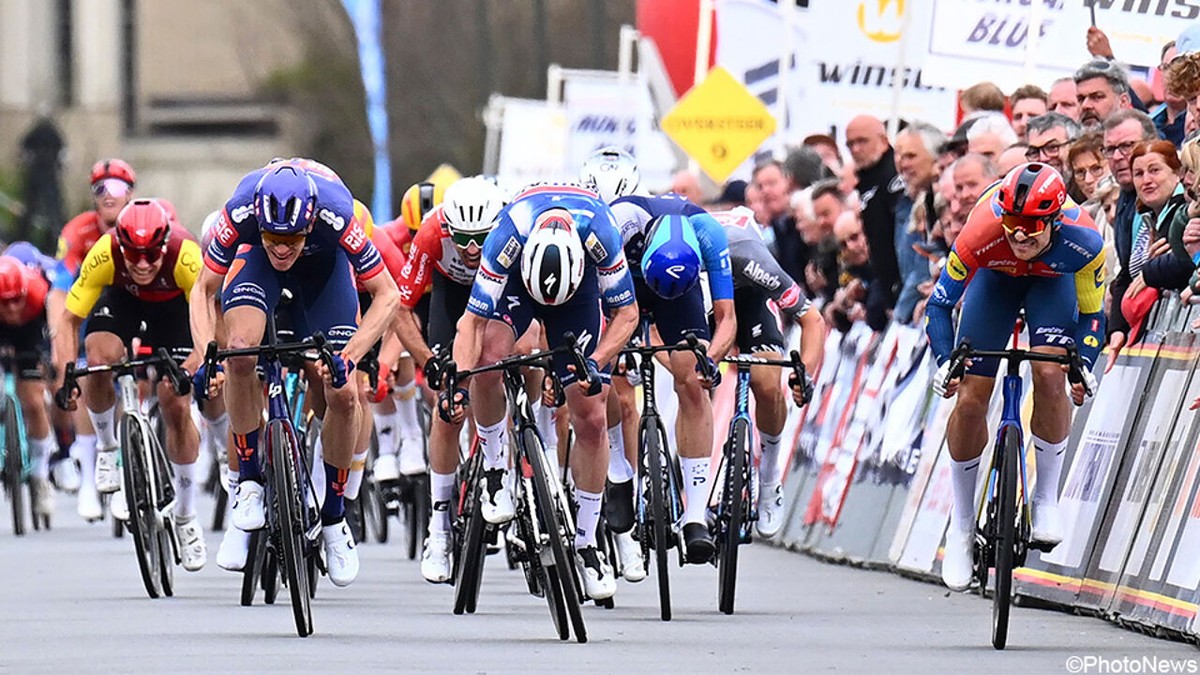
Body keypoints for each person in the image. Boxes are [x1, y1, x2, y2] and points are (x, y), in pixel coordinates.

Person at [190, 158, 401, 587]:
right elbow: (203, 288)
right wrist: (205, 354)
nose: (283, 247)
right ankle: (246, 484)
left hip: (325, 273)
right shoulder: (242, 209)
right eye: (273, 237)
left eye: (291, 239)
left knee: (344, 394)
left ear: (309, 223)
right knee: (242, 352)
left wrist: (351, 356)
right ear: (260, 222)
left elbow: (387, 295)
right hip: (255, 268)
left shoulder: (337, 212)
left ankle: (335, 517)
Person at [442, 182, 638, 601]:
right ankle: (496, 469)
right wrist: (458, 382)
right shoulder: (508, 234)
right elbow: (470, 325)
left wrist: (596, 362)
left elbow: (627, 315)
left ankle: (587, 544)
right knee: (489, 359)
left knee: (592, 417)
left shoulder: (601, 232)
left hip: (579, 295)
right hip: (517, 286)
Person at [927, 163, 1104, 591]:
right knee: (971, 396)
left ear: (1055, 220)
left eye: (1031, 226)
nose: (1020, 236)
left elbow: (1093, 316)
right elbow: (938, 306)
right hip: (994, 283)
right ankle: (963, 527)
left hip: (1052, 286)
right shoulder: (980, 232)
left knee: (1049, 372)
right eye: (1012, 224)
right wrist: (944, 360)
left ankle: (1046, 499)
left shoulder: (1085, 243)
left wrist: (1084, 366)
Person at [53, 198, 208, 571]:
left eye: (150, 255)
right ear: (120, 245)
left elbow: (208, 320)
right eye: (133, 255)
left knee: (174, 400)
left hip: (175, 310)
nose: (141, 264)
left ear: (165, 244)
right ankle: (107, 447)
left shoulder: (186, 256)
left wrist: (196, 366)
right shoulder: (105, 254)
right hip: (123, 303)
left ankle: (187, 517)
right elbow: (69, 320)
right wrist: (68, 372)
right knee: (100, 355)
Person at [391, 176, 507, 583]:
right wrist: (427, 359)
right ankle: (438, 527)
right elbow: (400, 309)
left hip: (503, 291)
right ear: (448, 229)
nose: (472, 249)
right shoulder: (431, 234)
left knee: (513, 362)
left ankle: (524, 463)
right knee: (449, 403)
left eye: (481, 239)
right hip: (452, 295)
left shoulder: (513, 232)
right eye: (463, 239)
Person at [710, 206, 824, 535]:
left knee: (767, 384)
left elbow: (812, 320)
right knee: (691, 379)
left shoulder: (751, 259)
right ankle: (696, 495)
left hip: (751, 296)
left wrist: (805, 374)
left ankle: (771, 477)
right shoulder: (682, 265)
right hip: (703, 304)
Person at [56, 158, 137, 521]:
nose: (108, 196)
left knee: (146, 377)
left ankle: (138, 460)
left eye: (117, 188)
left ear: (131, 194)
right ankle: (91, 476)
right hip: (90, 306)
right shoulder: (77, 232)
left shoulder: (144, 221)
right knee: (92, 375)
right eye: (100, 188)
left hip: (139, 302)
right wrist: (61, 341)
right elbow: (58, 292)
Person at [0, 254, 65, 523]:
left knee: (35, 402)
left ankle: (40, 473)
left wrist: (51, 360)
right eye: (6, 302)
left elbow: (54, 330)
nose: (13, 307)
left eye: (18, 299)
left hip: (30, 332)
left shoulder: (39, 293)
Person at [1101, 110, 1158, 356]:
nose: (1117, 156)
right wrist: (1117, 329)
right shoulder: (1124, 199)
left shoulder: (1164, 195)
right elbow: (1127, 269)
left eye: (1127, 146)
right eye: (1110, 149)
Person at [846, 114, 903, 331]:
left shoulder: (892, 176)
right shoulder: (866, 180)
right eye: (850, 144)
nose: (856, 149)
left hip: (899, 281)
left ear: (882, 139)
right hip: (884, 278)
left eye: (862, 141)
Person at [893, 121, 944, 324]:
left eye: (911, 156)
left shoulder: (943, 203)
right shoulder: (914, 202)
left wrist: (900, 314)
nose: (903, 164)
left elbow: (923, 269)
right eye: (899, 156)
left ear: (935, 158)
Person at [1129, 141, 1190, 295]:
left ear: (1177, 174)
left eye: (1154, 170)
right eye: (1138, 174)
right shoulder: (1143, 220)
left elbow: (1185, 264)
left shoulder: (1186, 212)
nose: (1146, 180)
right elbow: (1125, 275)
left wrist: (1154, 269)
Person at [1075, 60, 1134, 132]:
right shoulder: (1066, 141)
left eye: (1097, 97)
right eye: (1081, 99)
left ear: (1123, 102)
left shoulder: (1143, 142)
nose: (1085, 105)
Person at [1025, 113, 1082, 181]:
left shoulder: (1092, 188)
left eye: (1052, 147)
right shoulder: (1024, 190)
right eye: (1034, 151)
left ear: (1074, 146)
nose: (1043, 158)